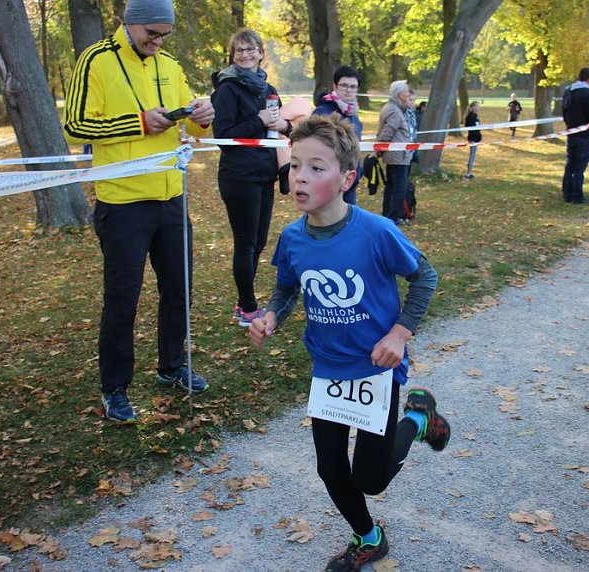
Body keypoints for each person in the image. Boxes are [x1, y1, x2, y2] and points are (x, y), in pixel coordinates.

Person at [247, 113, 448, 572]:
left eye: (317, 167)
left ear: (347, 179)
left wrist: (400, 333)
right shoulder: (293, 236)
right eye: (296, 165)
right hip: (329, 368)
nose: (300, 176)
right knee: (331, 467)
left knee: (371, 479)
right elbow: (288, 286)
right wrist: (271, 315)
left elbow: (426, 276)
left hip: (376, 367)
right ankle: (369, 537)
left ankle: (417, 417)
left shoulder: (376, 231)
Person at [64, 0, 214, 423]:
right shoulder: (95, 60)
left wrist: (203, 115)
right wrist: (138, 122)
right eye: (152, 32)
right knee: (122, 299)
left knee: (179, 290)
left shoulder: (170, 65)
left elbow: (192, 123)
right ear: (127, 23)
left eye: (165, 34)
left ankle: (171, 367)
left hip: (170, 197)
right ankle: (114, 388)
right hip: (123, 203)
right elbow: (75, 125)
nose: (159, 41)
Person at [211, 28, 291, 327]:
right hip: (238, 177)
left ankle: (243, 300)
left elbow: (281, 131)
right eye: (238, 51)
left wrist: (283, 124)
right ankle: (247, 307)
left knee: (258, 242)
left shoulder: (267, 89)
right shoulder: (227, 89)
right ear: (233, 56)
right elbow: (223, 136)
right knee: (245, 243)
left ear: (260, 53)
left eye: (250, 49)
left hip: (263, 175)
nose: (244, 54)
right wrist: (257, 120)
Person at [312, 65, 363, 205]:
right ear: (335, 86)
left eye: (353, 87)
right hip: (326, 181)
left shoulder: (354, 116)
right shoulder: (322, 112)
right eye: (344, 85)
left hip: (349, 182)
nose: (348, 90)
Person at [377, 80, 413, 225]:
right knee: (399, 188)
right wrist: (378, 149)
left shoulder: (393, 108)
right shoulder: (393, 110)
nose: (408, 93)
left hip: (396, 155)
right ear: (400, 94)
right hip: (397, 156)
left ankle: (388, 216)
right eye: (407, 91)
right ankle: (393, 218)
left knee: (392, 187)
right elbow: (387, 132)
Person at [561, 67, 589, 205]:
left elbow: (564, 112)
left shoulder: (568, 91)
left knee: (570, 163)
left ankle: (567, 193)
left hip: (571, 132)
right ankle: (577, 195)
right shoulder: (588, 94)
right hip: (584, 134)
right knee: (579, 167)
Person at [464, 101, 482, 179]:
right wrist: (477, 136)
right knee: (472, 155)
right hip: (473, 139)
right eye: (478, 106)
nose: (479, 107)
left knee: (473, 155)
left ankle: (470, 172)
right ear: (473, 107)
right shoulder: (471, 116)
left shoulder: (474, 116)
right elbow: (471, 129)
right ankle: (468, 173)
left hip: (476, 139)